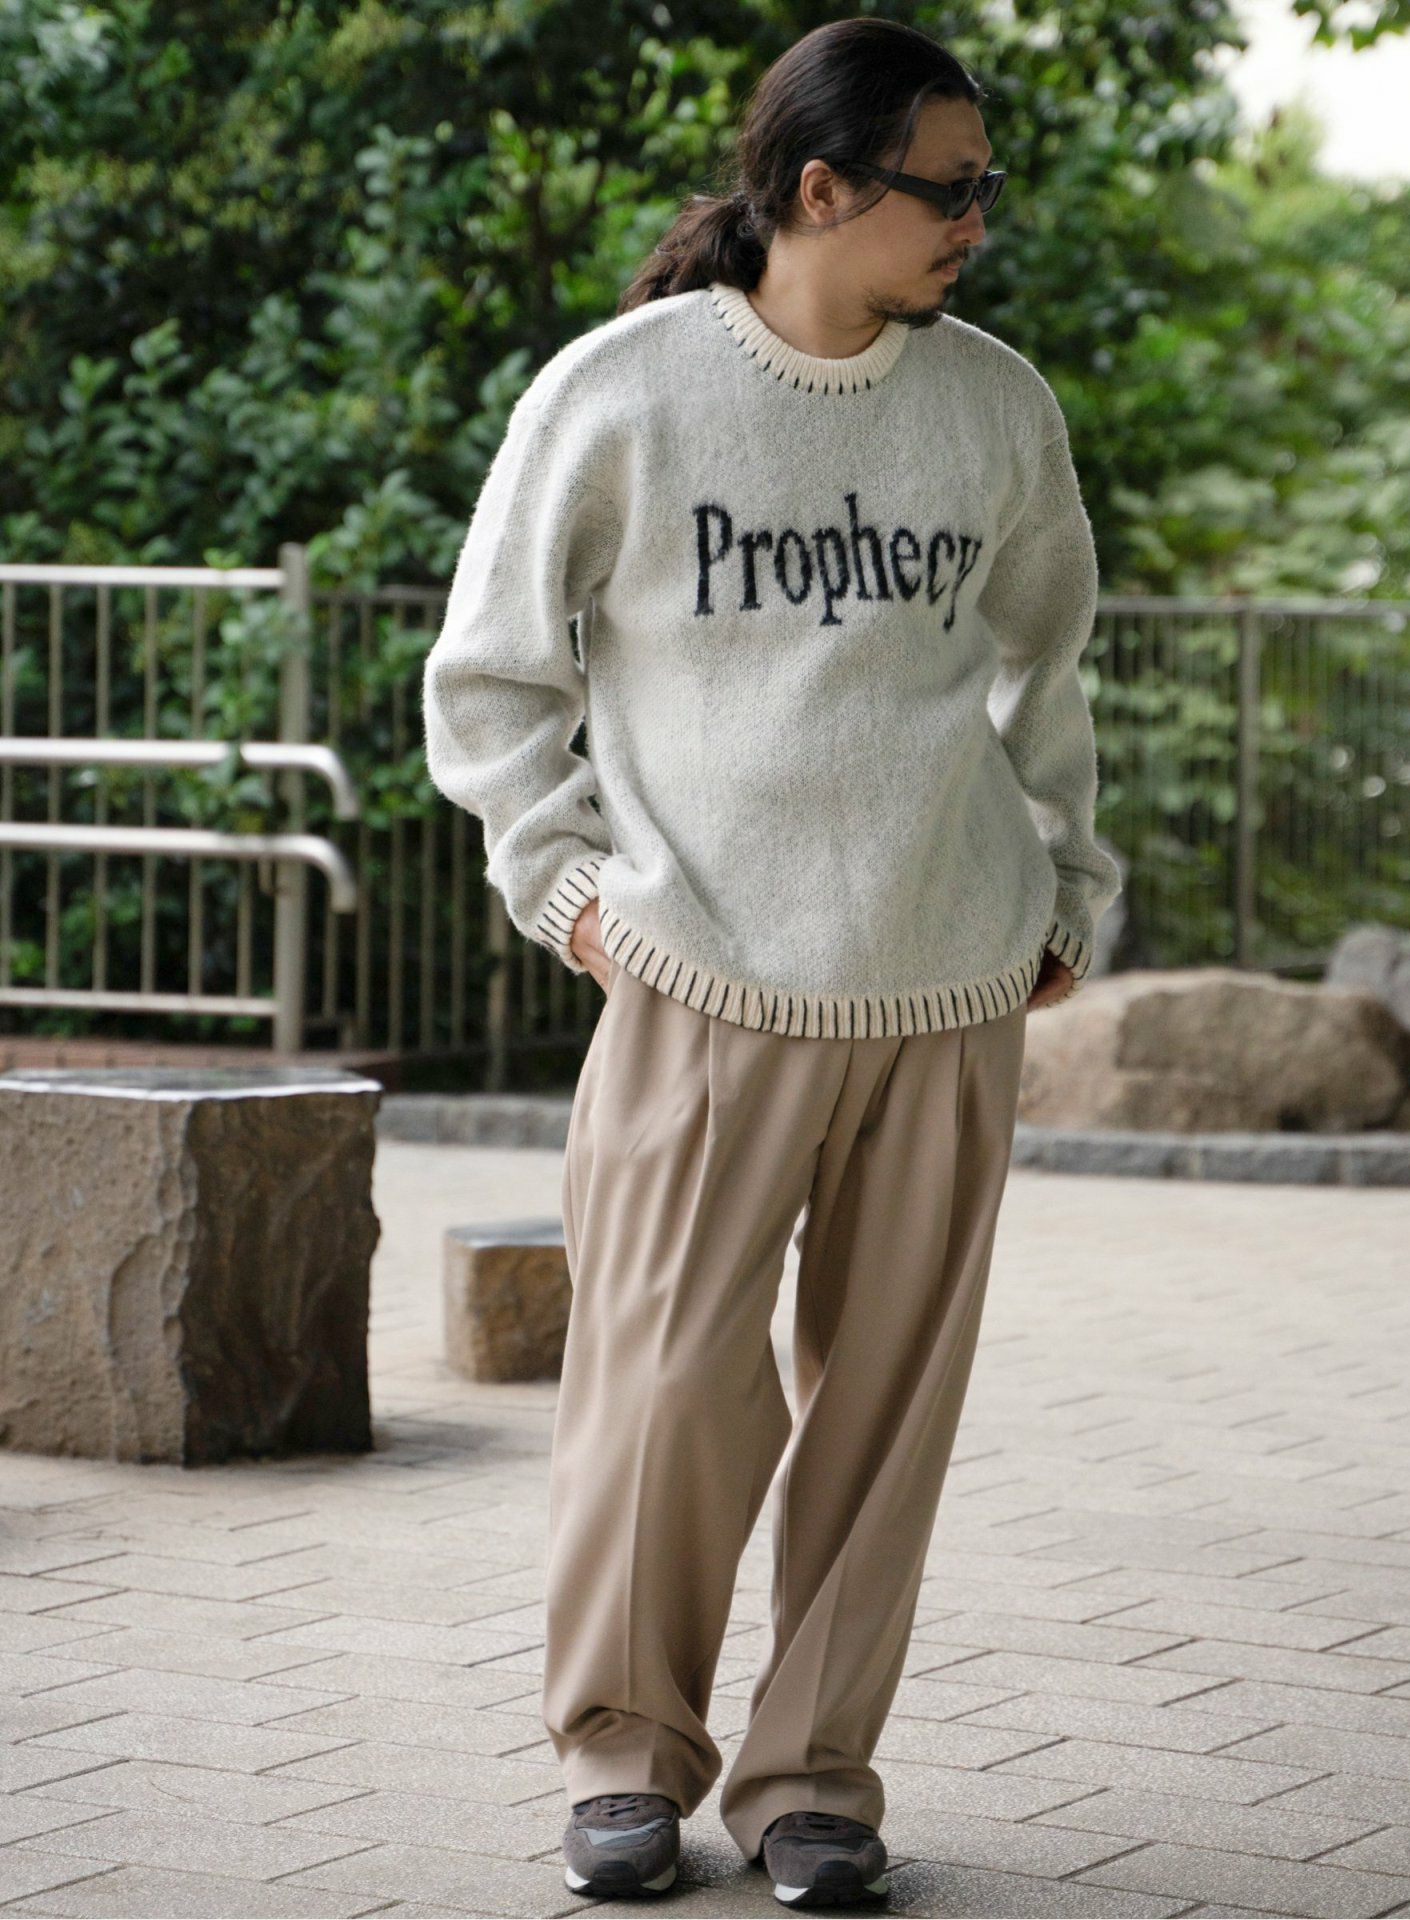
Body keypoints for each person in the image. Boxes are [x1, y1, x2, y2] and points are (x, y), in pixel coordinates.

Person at [421, 15, 1122, 1906]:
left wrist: (1065, 888)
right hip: (703, 977)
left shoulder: (996, 406)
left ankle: (816, 1778)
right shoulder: (625, 392)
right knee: (659, 1390)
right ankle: (622, 1755)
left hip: (948, 980)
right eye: (946, 188)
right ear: (821, 188)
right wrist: (567, 889)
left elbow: (1046, 665)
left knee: (887, 1411)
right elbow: (492, 683)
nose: (978, 220)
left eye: (984, 186)